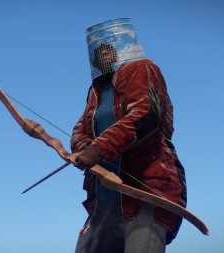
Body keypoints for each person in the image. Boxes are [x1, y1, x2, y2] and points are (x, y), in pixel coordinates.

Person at [72, 18, 187, 253]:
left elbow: (145, 114)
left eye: (108, 49)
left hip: (146, 192)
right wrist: (83, 149)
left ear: (119, 48)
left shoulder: (140, 67)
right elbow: (80, 128)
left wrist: (98, 150)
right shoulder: (96, 90)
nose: (102, 55)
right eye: (98, 51)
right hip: (104, 201)